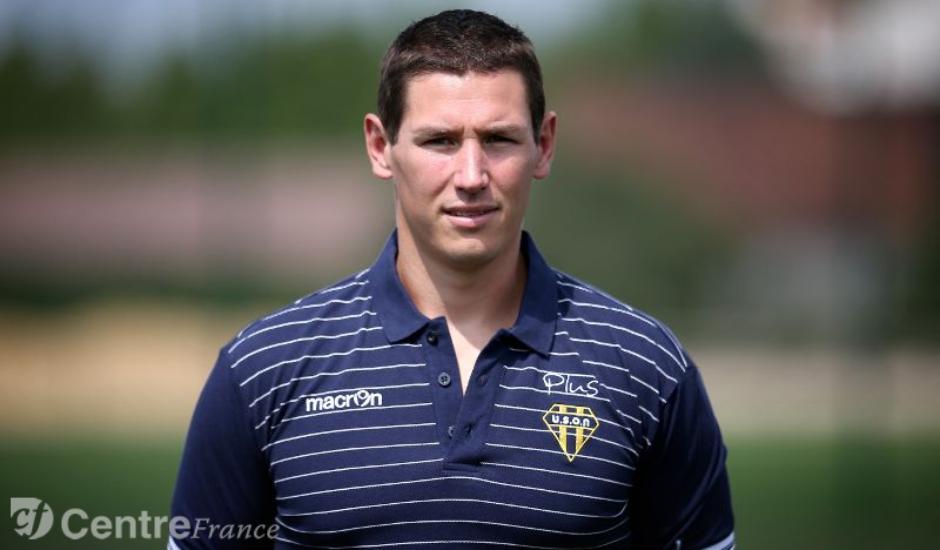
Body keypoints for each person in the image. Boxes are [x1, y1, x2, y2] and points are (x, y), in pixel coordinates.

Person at [169, 9, 735, 550]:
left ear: (543, 145)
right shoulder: (264, 369)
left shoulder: (646, 368)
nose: (470, 176)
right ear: (380, 147)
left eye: (498, 140)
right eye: (439, 141)